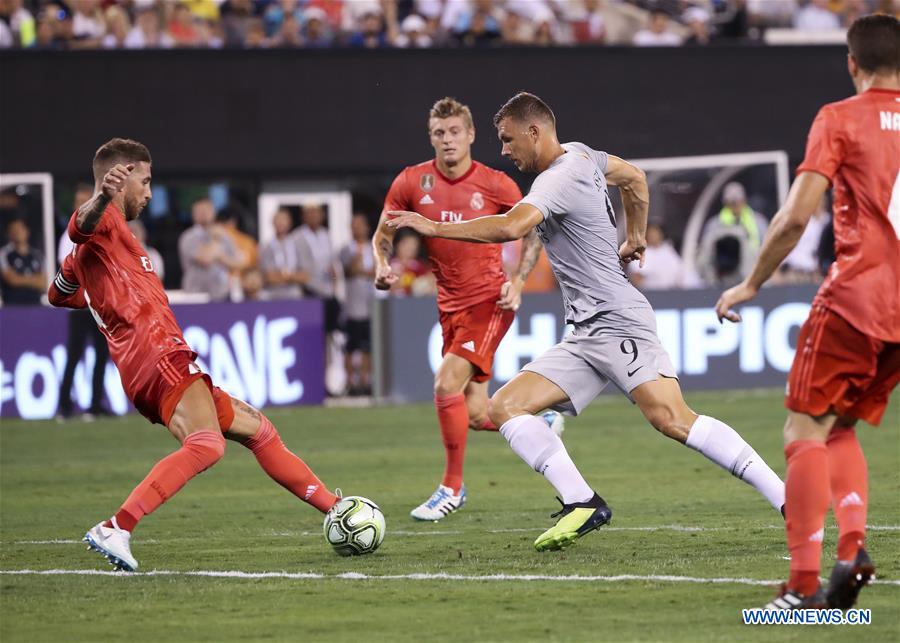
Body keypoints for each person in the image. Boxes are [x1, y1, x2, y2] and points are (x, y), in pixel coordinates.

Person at [388, 92, 786, 550]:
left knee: (672, 419)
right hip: (584, 332)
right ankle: (582, 502)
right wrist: (635, 236)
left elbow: (510, 227)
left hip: (617, 321)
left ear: (534, 133)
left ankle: (785, 497)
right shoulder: (583, 154)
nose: (503, 150)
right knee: (504, 407)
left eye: (507, 139)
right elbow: (634, 178)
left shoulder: (558, 178)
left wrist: (435, 228)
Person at [49, 138, 344, 572]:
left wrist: (92, 291)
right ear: (122, 174)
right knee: (206, 445)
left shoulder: (90, 253)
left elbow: (58, 293)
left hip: (147, 365)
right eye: (145, 181)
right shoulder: (105, 221)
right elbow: (80, 226)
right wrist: (101, 198)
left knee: (258, 430)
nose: (149, 193)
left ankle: (334, 508)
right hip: (158, 355)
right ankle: (117, 526)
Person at [716, 15, 899, 611]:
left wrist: (751, 283)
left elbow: (795, 217)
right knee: (837, 427)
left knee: (802, 429)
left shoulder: (839, 117)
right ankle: (852, 550)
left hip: (855, 298)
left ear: (852, 62)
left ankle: (800, 587)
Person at [373, 96, 557, 522]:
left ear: (471, 135)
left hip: (490, 301)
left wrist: (518, 280)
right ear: (431, 138)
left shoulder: (495, 184)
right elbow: (384, 232)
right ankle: (539, 423)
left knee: (445, 383)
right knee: (476, 414)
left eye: (455, 131)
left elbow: (534, 229)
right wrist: (382, 265)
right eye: (439, 133)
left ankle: (451, 488)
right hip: (450, 307)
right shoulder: (411, 182)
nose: (448, 140)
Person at [57, 184, 112, 420]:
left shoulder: (100, 232)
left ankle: (95, 405)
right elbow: (68, 267)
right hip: (79, 304)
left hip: (99, 304)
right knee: (74, 355)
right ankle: (65, 406)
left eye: (86, 200)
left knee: (101, 354)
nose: (82, 205)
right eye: (79, 200)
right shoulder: (68, 236)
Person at [178, 197, 242, 301]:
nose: (204, 214)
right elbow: (205, 259)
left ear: (213, 212)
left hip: (222, 293)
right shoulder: (188, 237)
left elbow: (238, 263)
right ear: (193, 214)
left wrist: (220, 256)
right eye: (199, 211)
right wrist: (216, 240)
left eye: (207, 210)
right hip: (196, 294)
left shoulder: (225, 235)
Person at [341, 213, 376, 396]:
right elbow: (351, 269)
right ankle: (350, 383)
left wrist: (364, 271)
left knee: (367, 347)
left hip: (370, 305)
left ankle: (365, 381)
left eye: (360, 225)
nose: (357, 229)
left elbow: (378, 272)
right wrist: (361, 264)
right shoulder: (347, 249)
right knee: (351, 347)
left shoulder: (375, 246)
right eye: (354, 225)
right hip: (353, 306)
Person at [259, 207, 308, 299]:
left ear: (290, 223)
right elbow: (268, 277)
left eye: (284, 220)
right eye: (278, 220)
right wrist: (291, 276)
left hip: (294, 295)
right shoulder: (266, 247)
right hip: (272, 295)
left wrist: (284, 276)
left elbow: (305, 276)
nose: (281, 223)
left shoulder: (298, 245)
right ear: (273, 223)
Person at [0, 218, 45, 305]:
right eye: (13, 230)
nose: (17, 233)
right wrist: (34, 279)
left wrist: (20, 278)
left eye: (19, 229)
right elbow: (12, 279)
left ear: (27, 231)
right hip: (12, 306)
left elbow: (44, 282)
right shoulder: (4, 254)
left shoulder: (38, 255)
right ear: (9, 234)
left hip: (36, 305)